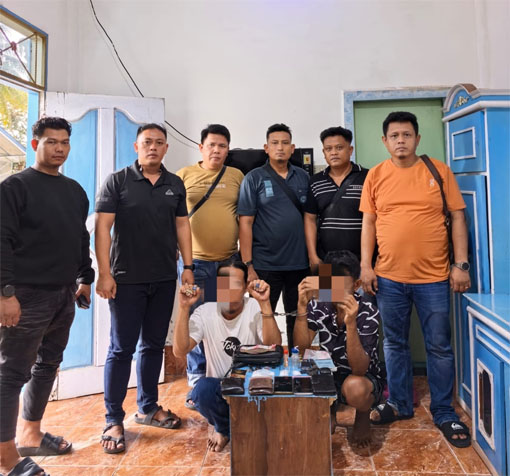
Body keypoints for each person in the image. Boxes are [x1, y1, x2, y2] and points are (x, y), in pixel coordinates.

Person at [359, 111, 471, 448]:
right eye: (394, 136)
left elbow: (457, 217)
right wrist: (366, 266)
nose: (401, 141)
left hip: (434, 278)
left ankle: (444, 411)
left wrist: (461, 264)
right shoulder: (376, 175)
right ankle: (399, 403)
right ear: (385, 141)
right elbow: (369, 223)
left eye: (407, 135)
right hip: (388, 278)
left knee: (439, 346)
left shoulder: (438, 171)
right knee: (394, 344)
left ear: (417, 139)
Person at [0, 117, 94, 476]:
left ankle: (31, 433)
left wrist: (85, 277)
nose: (59, 148)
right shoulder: (14, 188)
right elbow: (1, 242)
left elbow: (79, 238)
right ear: (35, 143)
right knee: (12, 373)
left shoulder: (74, 191)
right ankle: (6, 457)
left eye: (64, 142)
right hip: (24, 296)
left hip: (63, 293)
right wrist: (6, 294)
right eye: (51, 141)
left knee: (48, 365)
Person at [95, 123, 194, 454]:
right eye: (147, 142)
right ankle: (113, 419)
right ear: (136, 147)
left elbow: (182, 226)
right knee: (121, 349)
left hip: (163, 278)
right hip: (125, 279)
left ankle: (148, 407)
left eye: (159, 142)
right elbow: (103, 228)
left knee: (152, 345)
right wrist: (104, 273)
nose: (153, 147)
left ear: (166, 148)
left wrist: (188, 267)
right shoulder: (118, 181)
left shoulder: (174, 184)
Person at [173, 259, 281, 452]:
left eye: (236, 285)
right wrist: (183, 308)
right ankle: (225, 428)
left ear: (245, 288)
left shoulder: (255, 307)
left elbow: (274, 346)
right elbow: (179, 351)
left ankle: (236, 427)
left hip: (253, 387)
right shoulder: (204, 312)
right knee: (201, 392)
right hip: (221, 389)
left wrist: (265, 305)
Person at [176, 124, 244, 409]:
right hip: (195, 263)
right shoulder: (184, 175)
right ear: (201, 147)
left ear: (228, 150)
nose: (217, 150)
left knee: (225, 320)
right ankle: (196, 383)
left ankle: (226, 377)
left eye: (222, 146)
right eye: (212, 145)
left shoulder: (236, 176)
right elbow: (175, 217)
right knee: (196, 320)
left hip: (228, 263)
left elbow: (244, 217)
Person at [293, 251, 382, 447]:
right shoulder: (319, 304)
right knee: (297, 378)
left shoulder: (368, 311)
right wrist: (301, 307)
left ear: (356, 285)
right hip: (328, 373)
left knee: (355, 388)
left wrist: (351, 323)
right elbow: (300, 349)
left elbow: (359, 369)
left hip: (362, 378)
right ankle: (330, 407)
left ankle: (363, 413)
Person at [238, 123, 309, 350]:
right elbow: (245, 223)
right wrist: (248, 265)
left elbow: (311, 219)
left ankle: (299, 366)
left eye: (285, 143)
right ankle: (262, 366)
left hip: (300, 265)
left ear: (292, 148)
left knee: (299, 319)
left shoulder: (304, 177)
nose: (280, 147)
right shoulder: (253, 178)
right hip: (265, 265)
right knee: (261, 320)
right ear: (266, 148)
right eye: (275, 143)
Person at [304, 126, 368, 268]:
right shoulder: (315, 181)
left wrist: (368, 261)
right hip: (326, 260)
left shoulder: (367, 177)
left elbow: (375, 219)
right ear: (324, 152)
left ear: (350, 150)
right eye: (328, 149)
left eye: (339, 148)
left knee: (360, 284)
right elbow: (309, 219)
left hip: (361, 260)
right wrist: (313, 256)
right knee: (326, 284)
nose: (333, 153)